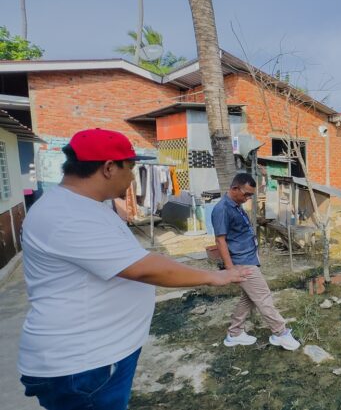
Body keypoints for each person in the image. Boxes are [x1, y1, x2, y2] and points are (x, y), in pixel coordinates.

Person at [18, 129, 253, 410]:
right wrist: (215, 276)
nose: (132, 177)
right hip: (83, 366)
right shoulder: (66, 215)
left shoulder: (88, 206)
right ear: (108, 168)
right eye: (131, 168)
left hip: (99, 359)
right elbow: (142, 268)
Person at [212, 173, 300, 350]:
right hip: (241, 262)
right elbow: (220, 241)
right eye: (246, 194)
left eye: (250, 195)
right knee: (263, 297)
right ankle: (280, 333)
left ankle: (234, 333)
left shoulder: (236, 205)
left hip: (249, 257)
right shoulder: (222, 209)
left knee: (249, 298)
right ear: (234, 188)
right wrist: (230, 269)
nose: (248, 198)